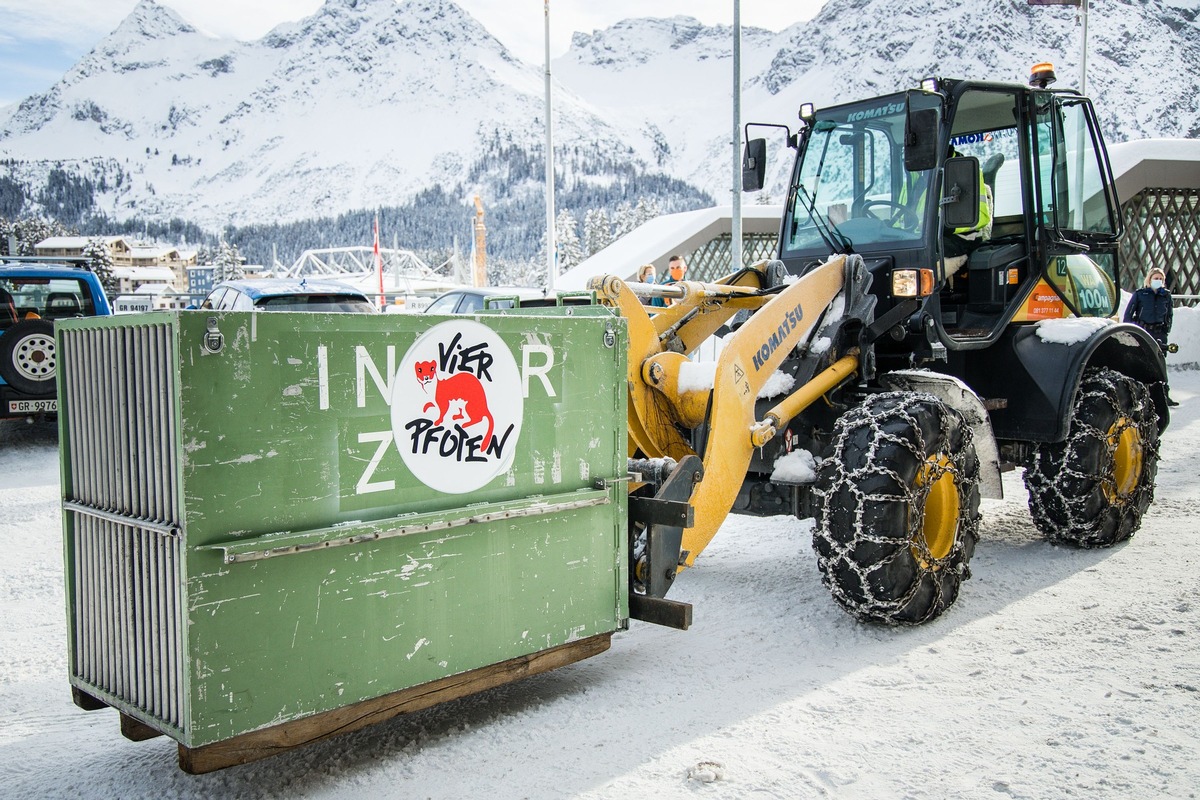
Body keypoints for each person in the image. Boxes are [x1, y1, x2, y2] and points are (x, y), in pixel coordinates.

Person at [1124, 267, 1178, 406]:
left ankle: (1164, 395)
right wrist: (1130, 330)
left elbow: (1169, 315)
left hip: (1159, 332)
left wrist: (1166, 330)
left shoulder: (1166, 295)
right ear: (1149, 279)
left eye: (1160, 279)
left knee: (1160, 364)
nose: (1158, 281)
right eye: (1156, 278)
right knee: (1140, 362)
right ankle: (1136, 395)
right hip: (1144, 330)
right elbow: (1129, 313)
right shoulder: (1140, 294)